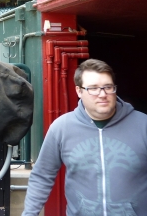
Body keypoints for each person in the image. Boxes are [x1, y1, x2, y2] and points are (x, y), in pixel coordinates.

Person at [22, 59, 147, 216]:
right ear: (79, 91)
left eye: (108, 87)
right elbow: (42, 176)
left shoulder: (143, 125)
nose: (102, 94)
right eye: (93, 88)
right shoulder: (62, 128)